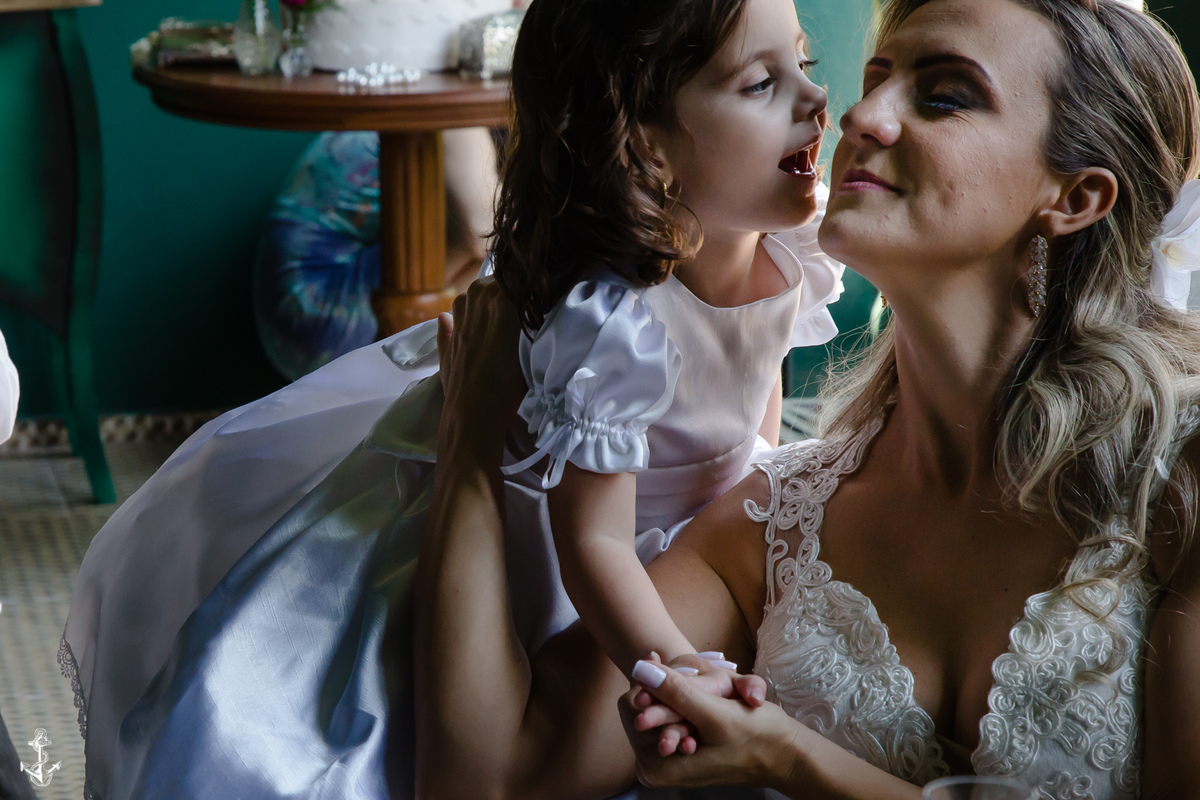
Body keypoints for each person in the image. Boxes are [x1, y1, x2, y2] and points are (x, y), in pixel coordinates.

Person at [413, 0, 1200, 796]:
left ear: (1074, 198)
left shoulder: (1185, 479)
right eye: (876, 79)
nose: (856, 115)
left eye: (944, 97)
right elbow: (487, 784)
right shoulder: (772, 525)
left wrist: (790, 758)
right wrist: (471, 448)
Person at [62, 0, 844, 796]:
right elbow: (595, 544)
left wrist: (756, 513)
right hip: (549, 528)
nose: (816, 99)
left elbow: (755, 397)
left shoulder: (794, 245)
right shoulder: (616, 325)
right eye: (760, 84)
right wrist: (675, 664)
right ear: (647, 143)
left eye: (804, 64)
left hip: (672, 529)